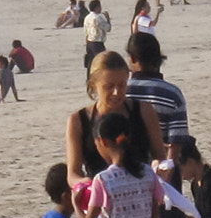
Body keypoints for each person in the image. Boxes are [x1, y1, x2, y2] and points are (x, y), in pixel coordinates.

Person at [67, 51, 166, 181]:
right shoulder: (78, 121)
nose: (116, 92)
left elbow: (160, 157)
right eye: (109, 86)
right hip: (100, 194)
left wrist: (160, 170)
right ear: (93, 85)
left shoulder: (143, 111)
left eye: (122, 85)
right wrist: (84, 184)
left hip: (141, 191)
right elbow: (73, 174)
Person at [125, 31, 188, 161]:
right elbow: (175, 145)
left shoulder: (122, 91)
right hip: (160, 169)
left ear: (132, 58)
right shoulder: (173, 94)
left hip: (125, 170)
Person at [81, 0, 109, 68]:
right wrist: (107, 19)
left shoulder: (87, 17)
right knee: (101, 63)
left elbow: (85, 30)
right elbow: (107, 28)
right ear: (97, 7)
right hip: (97, 43)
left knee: (90, 64)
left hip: (89, 42)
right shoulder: (98, 18)